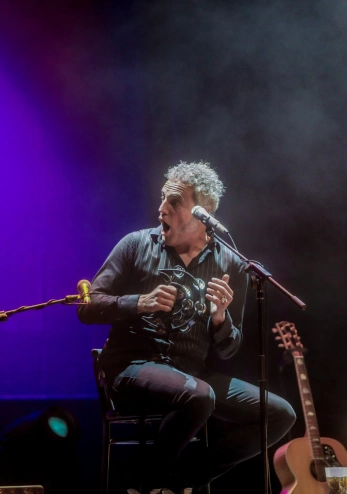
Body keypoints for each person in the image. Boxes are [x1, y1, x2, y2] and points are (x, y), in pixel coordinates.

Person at [78, 160, 296, 494]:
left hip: (192, 375)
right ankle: (148, 485)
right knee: (199, 396)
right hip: (132, 368)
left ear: (203, 213)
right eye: (163, 198)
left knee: (280, 414)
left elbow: (230, 348)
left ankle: (183, 481)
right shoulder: (135, 244)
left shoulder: (230, 262)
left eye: (174, 201)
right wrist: (139, 302)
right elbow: (88, 307)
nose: (162, 208)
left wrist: (221, 318)